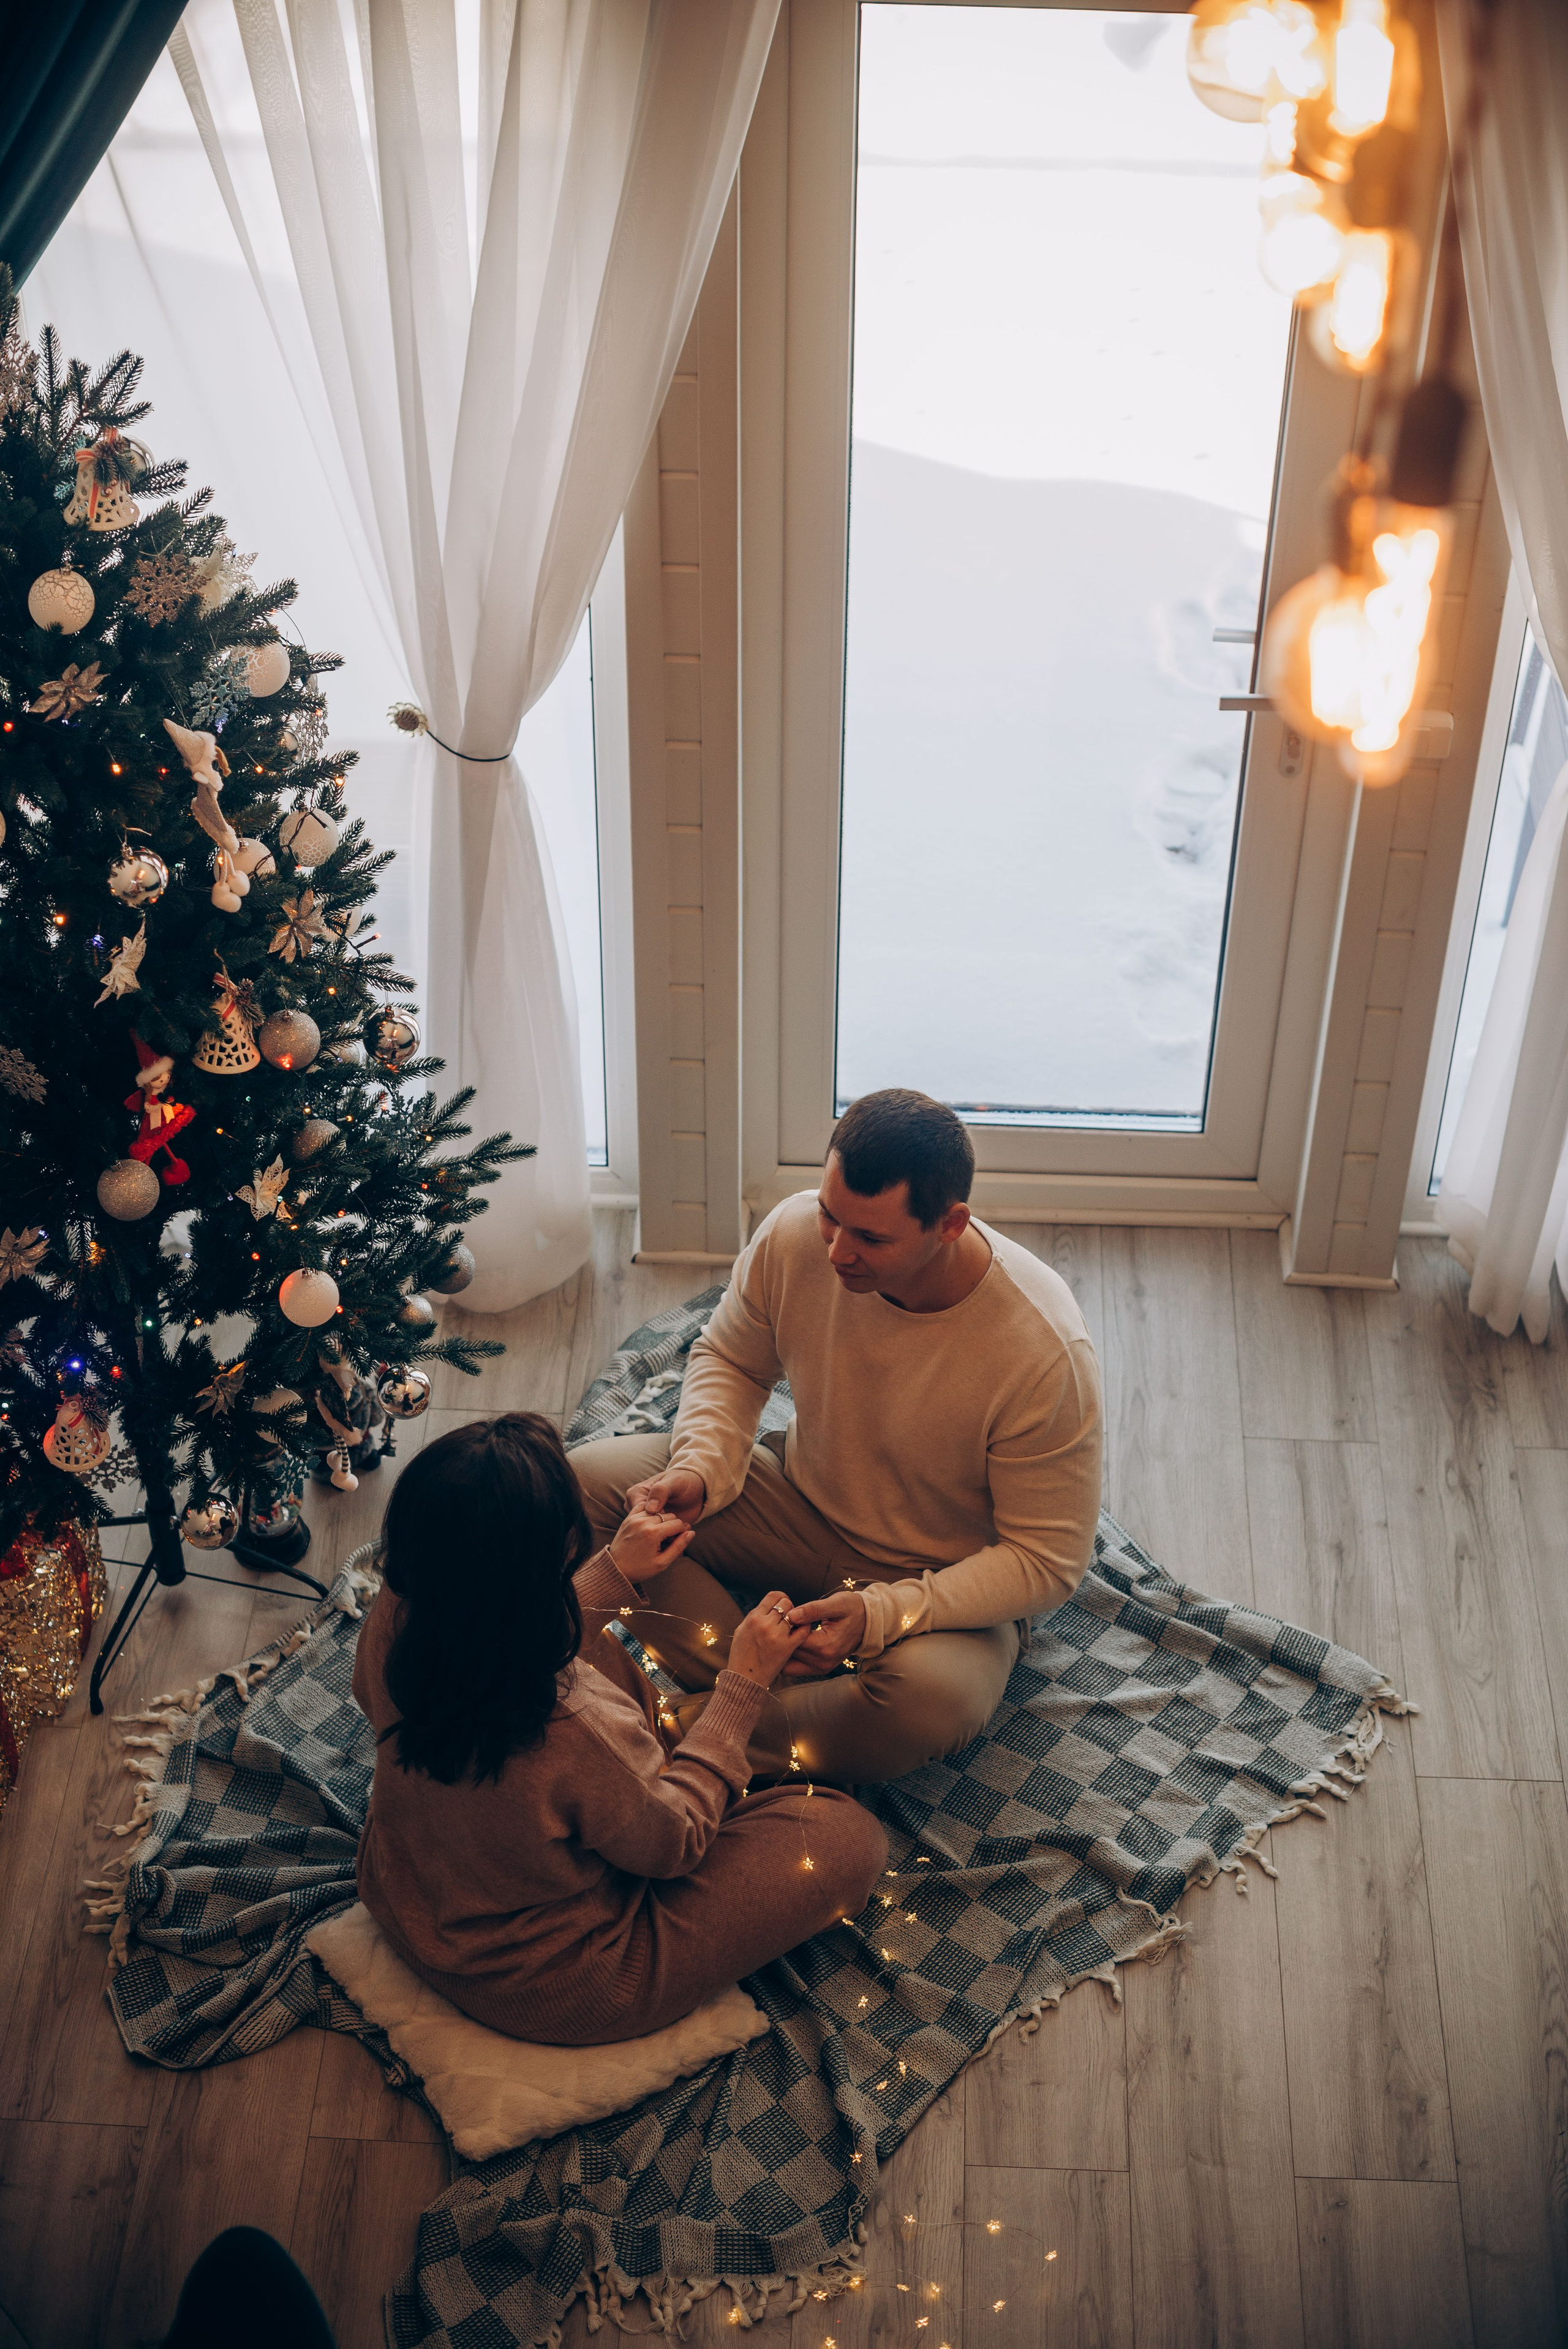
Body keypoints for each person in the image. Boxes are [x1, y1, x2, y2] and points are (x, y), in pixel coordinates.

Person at [573, 1089, 1103, 1785]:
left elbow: (1046, 1560)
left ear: (950, 1224)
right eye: (830, 1216)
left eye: (871, 1239)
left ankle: (674, 1731)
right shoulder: (797, 1234)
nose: (836, 1252)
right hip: (794, 1500)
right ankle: (757, 1680)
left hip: (934, 1580)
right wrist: (701, 1466)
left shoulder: (1043, 1351)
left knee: (929, 1705)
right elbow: (730, 1359)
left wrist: (880, 1612)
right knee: (580, 1484)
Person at [351, 1413, 887, 2046]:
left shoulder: (402, 1606)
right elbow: (674, 1845)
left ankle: (652, 1786)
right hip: (561, 1980)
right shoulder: (571, 1724)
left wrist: (615, 1571)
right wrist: (743, 1683)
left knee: (594, 1663)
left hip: (405, 1891)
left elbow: (507, 1638)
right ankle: (687, 1775)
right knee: (848, 1836)